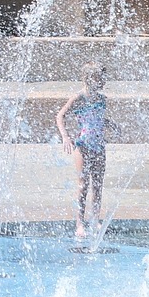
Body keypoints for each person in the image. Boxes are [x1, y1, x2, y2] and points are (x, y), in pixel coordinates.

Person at [55, 62, 108, 239]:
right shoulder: (78, 98)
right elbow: (60, 116)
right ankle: (80, 222)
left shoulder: (101, 99)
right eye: (100, 77)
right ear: (89, 78)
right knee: (83, 185)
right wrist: (65, 137)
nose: (103, 81)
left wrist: (111, 124)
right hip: (83, 146)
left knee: (98, 185)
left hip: (99, 146)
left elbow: (98, 119)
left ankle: (95, 218)